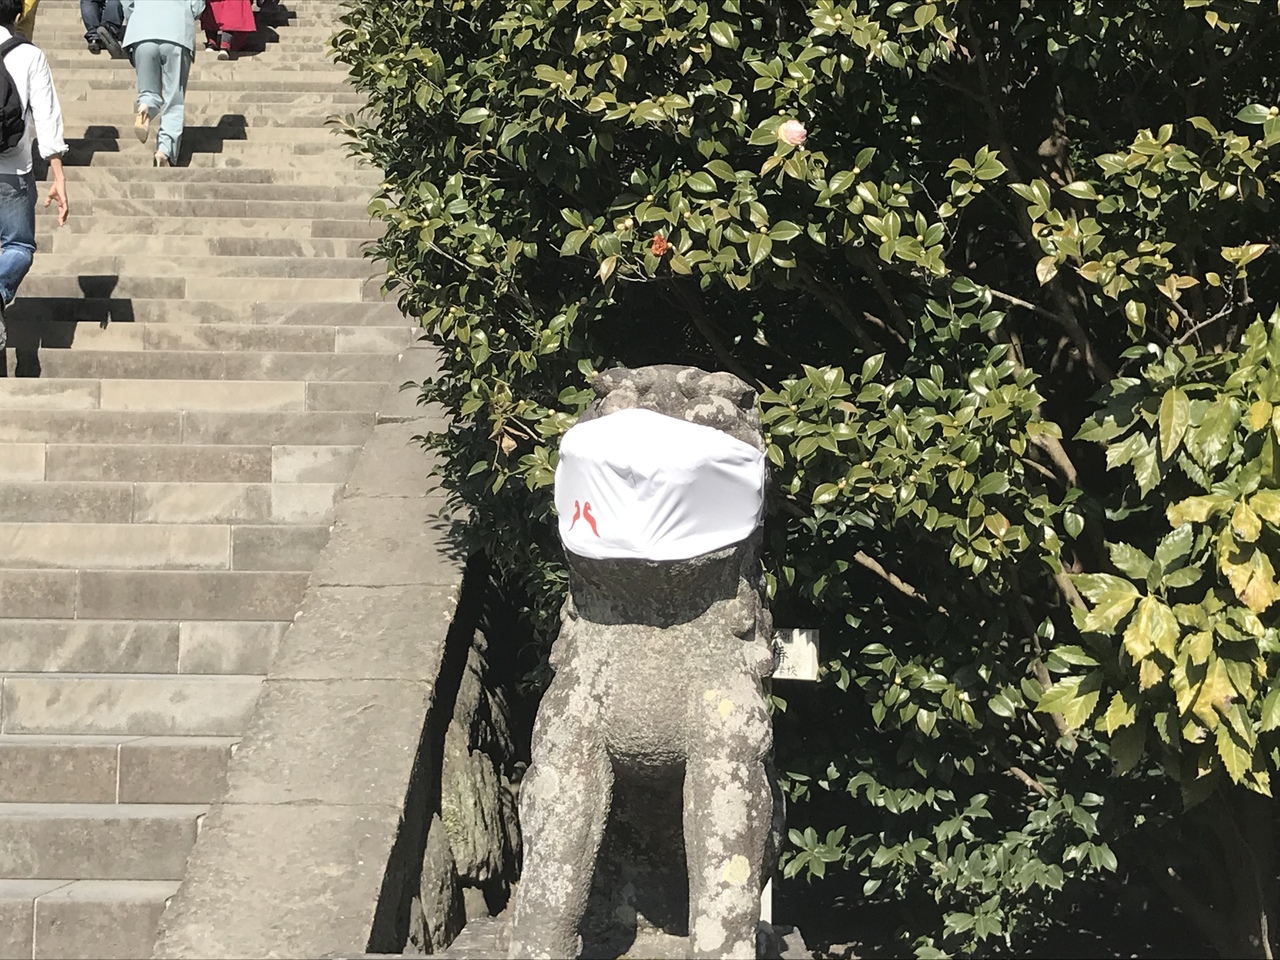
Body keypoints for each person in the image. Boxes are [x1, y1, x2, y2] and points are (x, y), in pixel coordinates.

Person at [0, 0, 67, 351]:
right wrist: (58, 176)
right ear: (19, 14)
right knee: (19, 246)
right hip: (13, 169)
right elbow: (47, 118)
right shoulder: (30, 55)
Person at [121, 0, 204, 168]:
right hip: (177, 32)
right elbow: (197, 6)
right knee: (174, 98)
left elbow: (127, 4)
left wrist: (137, 13)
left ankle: (146, 106)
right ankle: (164, 150)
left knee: (148, 91)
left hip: (142, 31)